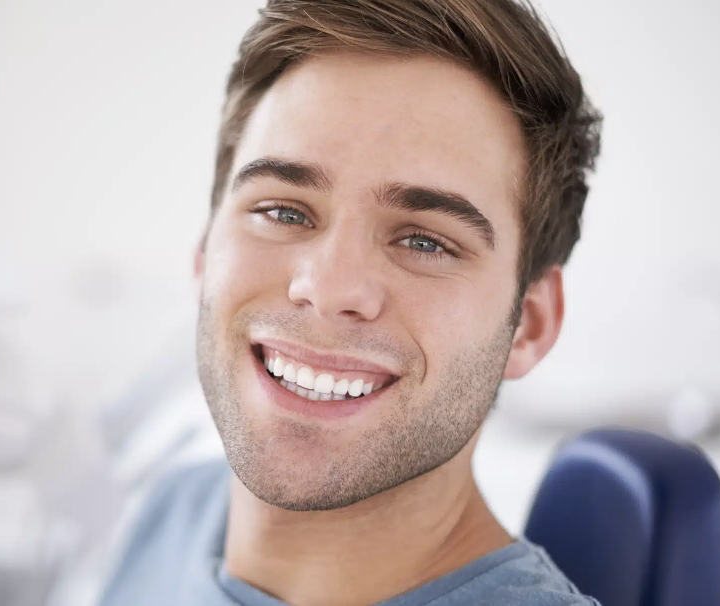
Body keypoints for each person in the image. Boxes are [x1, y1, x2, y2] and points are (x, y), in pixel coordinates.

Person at [99, 0, 602, 604]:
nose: (329, 287)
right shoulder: (173, 514)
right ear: (206, 250)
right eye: (282, 211)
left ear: (529, 325)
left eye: (424, 241)